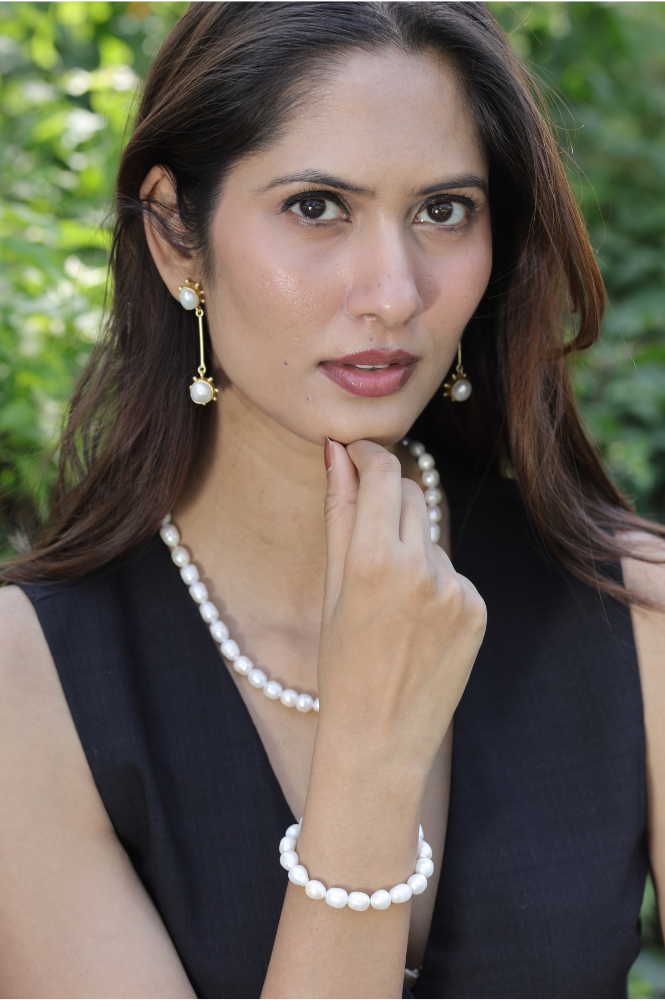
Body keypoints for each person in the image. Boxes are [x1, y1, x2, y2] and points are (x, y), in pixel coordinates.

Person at [0, 2, 663, 997]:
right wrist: (369, 758)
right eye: (316, 206)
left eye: (442, 210)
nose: (392, 291)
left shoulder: (631, 613)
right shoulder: (28, 684)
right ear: (178, 238)